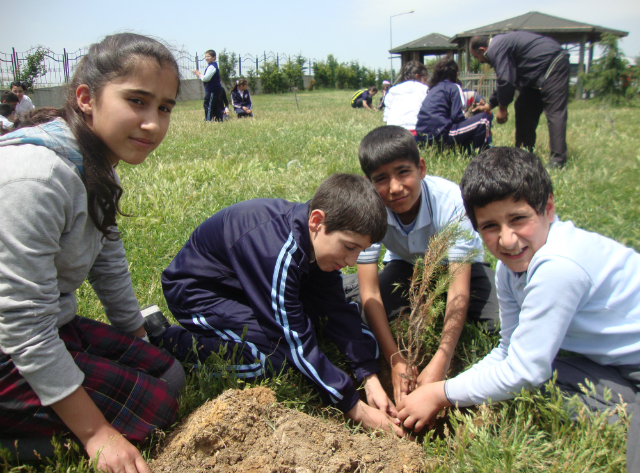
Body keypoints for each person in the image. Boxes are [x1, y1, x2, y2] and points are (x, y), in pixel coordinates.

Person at [0, 33, 185, 473]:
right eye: (137, 101)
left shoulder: (93, 165)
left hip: (46, 325)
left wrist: (134, 336)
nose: (153, 124)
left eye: (163, 107)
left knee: (167, 373)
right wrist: (96, 434)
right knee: (154, 410)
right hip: (10, 342)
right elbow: (22, 324)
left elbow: (107, 257)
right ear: (86, 97)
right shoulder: (36, 179)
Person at [397, 147, 640, 470]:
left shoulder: (559, 265)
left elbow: (525, 370)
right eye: (490, 227)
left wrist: (441, 393)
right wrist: (445, 390)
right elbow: (508, 352)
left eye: (518, 219)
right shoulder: (510, 269)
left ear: (548, 208)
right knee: (537, 384)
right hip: (617, 364)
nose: (507, 240)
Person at [145, 173, 404, 437]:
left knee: (316, 322)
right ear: (317, 221)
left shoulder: (315, 240)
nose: (352, 260)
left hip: (246, 287)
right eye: (349, 247)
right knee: (269, 359)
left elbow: (335, 307)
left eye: (361, 251)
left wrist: (369, 376)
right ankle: (166, 339)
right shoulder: (278, 252)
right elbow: (293, 339)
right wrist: (353, 405)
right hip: (197, 292)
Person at [343, 125, 499, 406]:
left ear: (421, 168)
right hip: (407, 268)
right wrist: (394, 359)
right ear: (368, 183)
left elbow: (458, 290)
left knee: (498, 322)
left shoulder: (452, 202)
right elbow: (371, 293)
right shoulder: (370, 210)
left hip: (460, 268)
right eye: (381, 179)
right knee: (362, 311)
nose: (395, 188)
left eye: (403, 172)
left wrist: (441, 360)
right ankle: (345, 288)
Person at [470, 32, 570, 167]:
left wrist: (502, 108)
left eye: (478, 58)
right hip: (536, 74)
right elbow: (508, 77)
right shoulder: (500, 45)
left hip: (553, 63)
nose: (480, 62)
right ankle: (523, 154)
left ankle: (558, 160)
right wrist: (489, 104)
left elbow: (505, 79)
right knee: (523, 106)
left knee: (555, 112)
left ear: (483, 50)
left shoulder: (495, 49)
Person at [416, 57, 492, 152]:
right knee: (483, 120)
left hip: (424, 138)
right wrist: (472, 115)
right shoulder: (454, 87)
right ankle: (480, 154)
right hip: (442, 135)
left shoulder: (433, 89)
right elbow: (457, 117)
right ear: (455, 74)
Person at [382, 61, 429, 138]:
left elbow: (386, 117)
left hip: (392, 134)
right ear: (417, 76)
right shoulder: (424, 90)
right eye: (425, 79)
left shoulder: (393, 90)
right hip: (414, 132)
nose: (425, 82)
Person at [192, 49, 223, 121]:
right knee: (216, 105)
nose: (206, 58)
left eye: (208, 56)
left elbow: (206, 78)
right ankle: (219, 119)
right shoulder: (212, 66)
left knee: (208, 105)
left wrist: (199, 74)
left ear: (214, 57)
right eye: (205, 56)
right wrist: (200, 74)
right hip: (216, 89)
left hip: (212, 89)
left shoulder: (212, 66)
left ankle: (208, 120)